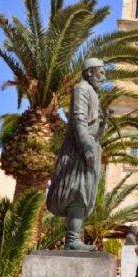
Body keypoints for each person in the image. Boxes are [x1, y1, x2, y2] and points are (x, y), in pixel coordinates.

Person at [46, 59, 107, 250]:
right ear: (89, 72)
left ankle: (73, 240)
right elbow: (78, 120)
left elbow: (93, 128)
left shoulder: (93, 94)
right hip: (80, 147)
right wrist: (86, 147)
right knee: (77, 191)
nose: (104, 78)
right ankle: (72, 240)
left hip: (90, 144)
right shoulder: (81, 89)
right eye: (101, 73)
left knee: (84, 192)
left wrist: (103, 125)